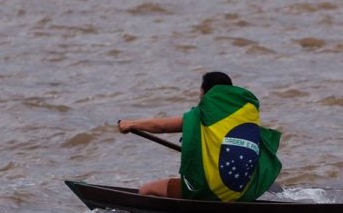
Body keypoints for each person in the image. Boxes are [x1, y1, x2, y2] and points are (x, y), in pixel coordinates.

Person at [117, 71, 281, 201]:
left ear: (206, 93)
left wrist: (131, 124)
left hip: (211, 189)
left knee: (146, 190)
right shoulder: (247, 114)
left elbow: (161, 126)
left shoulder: (204, 114)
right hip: (243, 191)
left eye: (201, 92)